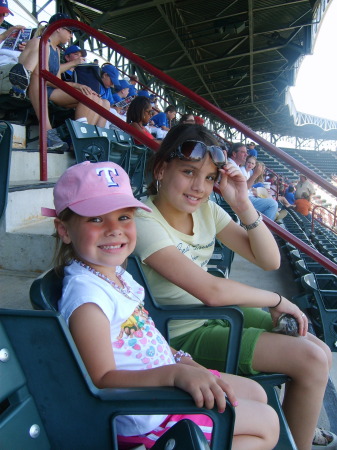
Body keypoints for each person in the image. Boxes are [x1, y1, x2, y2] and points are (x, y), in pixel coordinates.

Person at [43, 160, 280, 449]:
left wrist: (182, 359)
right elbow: (102, 380)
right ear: (64, 230)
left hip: (167, 381)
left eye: (124, 217)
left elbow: (144, 334)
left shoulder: (116, 274)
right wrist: (175, 374)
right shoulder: (87, 299)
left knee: (257, 393)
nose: (114, 230)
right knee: (266, 425)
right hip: (147, 414)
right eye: (96, 219)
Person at [134, 124, 334, 450]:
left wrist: (242, 204)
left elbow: (269, 261)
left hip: (216, 314)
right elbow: (210, 290)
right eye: (188, 172)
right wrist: (276, 299)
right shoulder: (144, 220)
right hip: (180, 333)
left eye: (210, 177)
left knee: (321, 351)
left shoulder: (207, 209)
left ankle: (297, 428)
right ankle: (298, 437)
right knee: (310, 360)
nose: (199, 186)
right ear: (160, 168)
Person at [24, 13, 110, 149]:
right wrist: (76, 85)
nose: (71, 36)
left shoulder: (56, 50)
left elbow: (56, 79)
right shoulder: (42, 43)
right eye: (70, 31)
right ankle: (78, 141)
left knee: (101, 101)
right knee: (88, 96)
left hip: (51, 89)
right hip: (41, 88)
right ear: (58, 28)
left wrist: (77, 86)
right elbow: (43, 77)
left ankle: (89, 142)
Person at [229, 143, 278, 220]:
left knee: (269, 198)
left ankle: (272, 216)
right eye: (243, 152)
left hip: (245, 197)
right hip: (242, 200)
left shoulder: (237, 166)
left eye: (246, 152)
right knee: (273, 204)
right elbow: (244, 188)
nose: (246, 154)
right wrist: (255, 175)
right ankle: (264, 228)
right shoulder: (233, 166)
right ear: (234, 154)